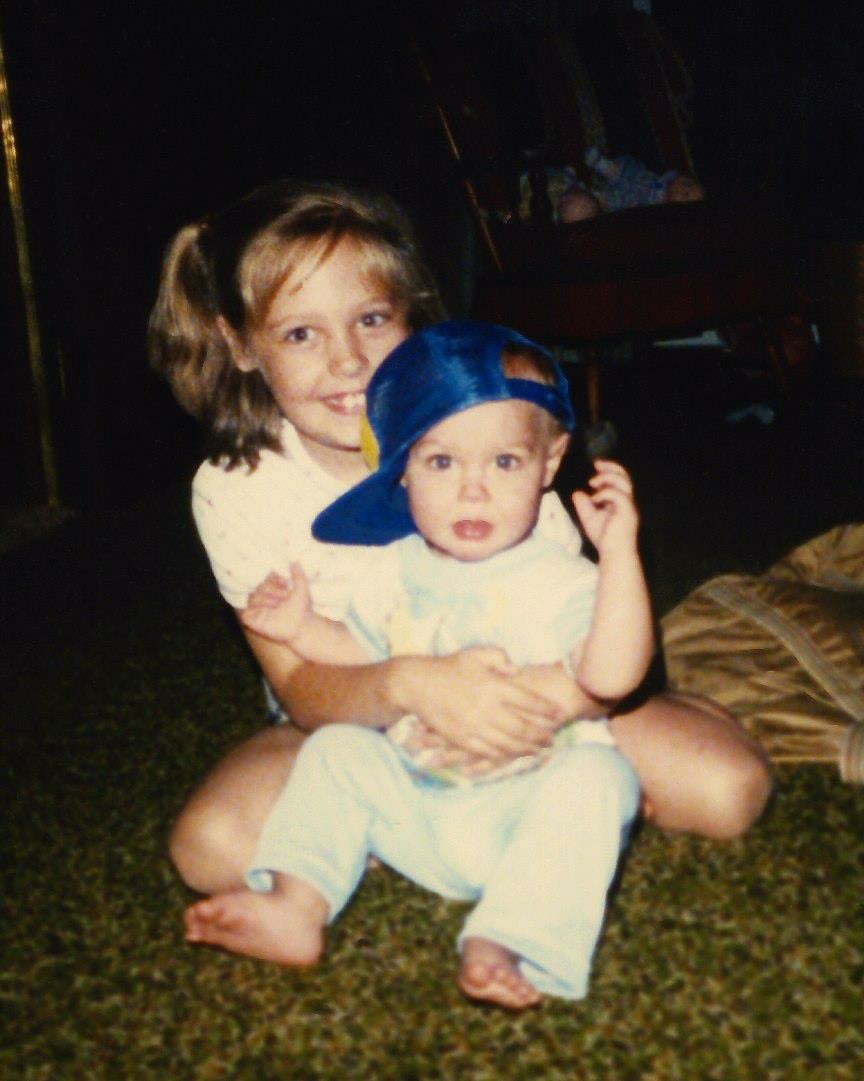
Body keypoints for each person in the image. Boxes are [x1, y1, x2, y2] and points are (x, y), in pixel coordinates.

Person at [148, 177, 771, 905]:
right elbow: (302, 687)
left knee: (728, 790)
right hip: (354, 718)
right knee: (213, 849)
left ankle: (498, 803)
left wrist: (542, 711)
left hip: (530, 687)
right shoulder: (238, 486)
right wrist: (414, 686)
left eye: (372, 319)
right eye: (300, 332)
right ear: (240, 345)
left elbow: (569, 628)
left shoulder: (490, 428)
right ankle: (459, 812)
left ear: (412, 316)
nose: (349, 361)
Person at [186, 322, 650, 1008]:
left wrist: (619, 559)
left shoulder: (562, 579)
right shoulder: (392, 571)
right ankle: (296, 902)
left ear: (549, 464)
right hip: (415, 802)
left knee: (602, 774)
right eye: (441, 463)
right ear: (400, 469)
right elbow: (369, 653)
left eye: (504, 463)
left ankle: (509, 935)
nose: (472, 491)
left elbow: (610, 676)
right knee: (340, 748)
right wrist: (304, 628)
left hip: (525, 813)